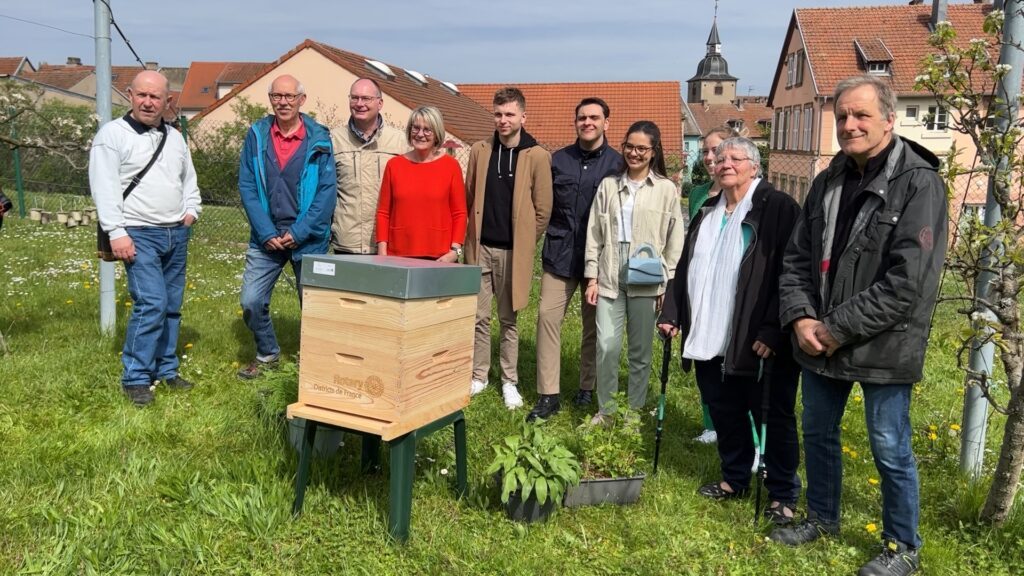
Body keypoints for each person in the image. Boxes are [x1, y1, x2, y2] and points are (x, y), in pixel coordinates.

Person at [769, 75, 948, 576]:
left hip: (883, 344)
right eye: (843, 115)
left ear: (889, 120)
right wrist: (801, 316)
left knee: (889, 446)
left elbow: (908, 283)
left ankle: (902, 547)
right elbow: (798, 257)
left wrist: (833, 328)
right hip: (819, 337)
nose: (850, 124)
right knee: (818, 433)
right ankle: (823, 518)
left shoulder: (919, 182)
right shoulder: (829, 179)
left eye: (862, 115)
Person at [658, 136, 801, 525]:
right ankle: (734, 477)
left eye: (736, 158)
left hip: (757, 337)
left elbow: (790, 274)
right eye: (720, 159)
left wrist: (774, 329)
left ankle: (783, 493)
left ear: (755, 166)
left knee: (772, 415)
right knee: (723, 409)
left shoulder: (777, 208)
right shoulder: (707, 209)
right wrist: (672, 311)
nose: (725, 164)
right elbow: (685, 266)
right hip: (710, 331)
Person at [88, 70, 202, 407]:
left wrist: (191, 210)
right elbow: (104, 187)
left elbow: (188, 178)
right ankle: (136, 377)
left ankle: (166, 369)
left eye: (156, 97)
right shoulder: (113, 135)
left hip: (175, 233)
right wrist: (117, 232)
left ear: (168, 101)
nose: (148, 102)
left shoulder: (175, 137)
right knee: (150, 303)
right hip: (138, 233)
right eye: (142, 95)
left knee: (171, 307)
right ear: (129, 95)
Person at [527, 97, 622, 422]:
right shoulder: (558, 160)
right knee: (546, 320)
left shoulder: (618, 165)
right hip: (559, 255)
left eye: (594, 117)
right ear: (576, 122)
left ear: (606, 123)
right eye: (582, 117)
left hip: (600, 261)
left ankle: (586, 385)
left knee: (593, 327)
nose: (588, 122)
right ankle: (547, 394)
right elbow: (542, 204)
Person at [236, 75, 336, 380]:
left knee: (315, 306)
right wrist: (266, 233)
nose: (283, 102)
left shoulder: (319, 137)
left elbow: (326, 192)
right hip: (266, 238)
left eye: (289, 96)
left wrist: (300, 232)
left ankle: (315, 364)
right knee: (251, 301)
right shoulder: (256, 135)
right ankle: (267, 355)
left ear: (301, 100)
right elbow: (247, 185)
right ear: (270, 100)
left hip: (308, 239)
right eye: (277, 96)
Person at [584, 120, 683, 424]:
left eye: (642, 148)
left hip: (648, 278)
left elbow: (674, 237)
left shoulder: (666, 189)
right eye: (630, 146)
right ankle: (607, 410)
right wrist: (591, 276)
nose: (634, 153)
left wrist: (667, 282)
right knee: (606, 347)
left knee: (640, 352)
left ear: (653, 152)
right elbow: (594, 233)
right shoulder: (609, 185)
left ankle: (634, 411)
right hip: (611, 274)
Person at [465, 86, 552, 409]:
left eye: (509, 114)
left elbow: (543, 209)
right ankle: (479, 375)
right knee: (478, 316)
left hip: (514, 252)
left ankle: (509, 381)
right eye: (498, 114)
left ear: (522, 117)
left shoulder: (538, 156)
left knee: (509, 318)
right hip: (480, 247)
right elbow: (470, 193)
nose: (503, 120)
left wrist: (527, 238)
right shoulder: (481, 150)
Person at [685, 124, 736, 444]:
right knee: (703, 355)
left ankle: (739, 424)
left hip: (729, 289)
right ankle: (711, 423)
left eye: (715, 150)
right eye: (704, 151)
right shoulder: (698, 194)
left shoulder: (748, 195)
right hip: (698, 286)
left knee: (731, 363)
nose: (708, 157)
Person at [375, 106, 467, 261]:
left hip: (440, 258)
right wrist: (382, 252)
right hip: (398, 255)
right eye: (416, 128)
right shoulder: (394, 165)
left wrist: (454, 252)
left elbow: (460, 214)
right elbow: (383, 212)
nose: (420, 134)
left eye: (427, 129)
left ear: (437, 133)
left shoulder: (451, 166)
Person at [331, 78, 407, 255]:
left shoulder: (400, 142)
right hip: (347, 243)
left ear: (380, 103)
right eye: (354, 98)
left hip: (388, 245)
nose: (359, 104)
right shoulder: (333, 140)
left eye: (366, 98)